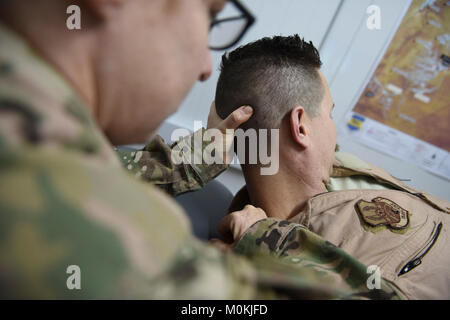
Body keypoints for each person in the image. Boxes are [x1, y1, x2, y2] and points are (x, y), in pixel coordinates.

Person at [0, 0, 404, 299]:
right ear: (300, 124)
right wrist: (264, 238)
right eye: (210, 16)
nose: (204, 66)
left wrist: (197, 157)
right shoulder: (57, 190)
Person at [214, 34, 450, 300]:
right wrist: (269, 241)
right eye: (330, 113)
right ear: (301, 126)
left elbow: (265, 145)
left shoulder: (340, 168)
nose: (334, 131)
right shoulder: (265, 272)